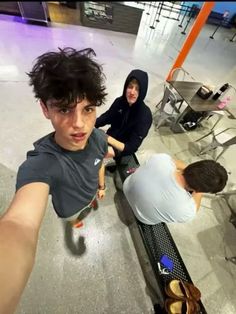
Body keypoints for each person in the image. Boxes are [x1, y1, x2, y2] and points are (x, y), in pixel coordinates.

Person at [0, 47, 108, 314]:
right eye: (64, 109)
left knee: (88, 206)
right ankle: (76, 220)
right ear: (45, 109)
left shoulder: (98, 137)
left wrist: (101, 185)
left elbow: (101, 158)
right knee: (73, 218)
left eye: (88, 109)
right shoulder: (42, 164)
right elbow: (20, 222)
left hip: (91, 194)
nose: (80, 124)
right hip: (68, 208)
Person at [123, 153, 228, 225]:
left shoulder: (161, 159)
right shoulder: (186, 210)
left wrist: (195, 172)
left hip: (127, 186)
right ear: (201, 190)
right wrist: (199, 190)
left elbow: (176, 163)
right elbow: (195, 207)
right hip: (142, 216)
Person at [95, 69, 152, 161]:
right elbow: (107, 117)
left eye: (137, 89)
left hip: (123, 148)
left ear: (143, 91)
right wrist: (91, 124)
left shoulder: (145, 116)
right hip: (110, 137)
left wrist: (107, 140)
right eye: (130, 86)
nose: (132, 92)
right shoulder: (120, 102)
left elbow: (132, 147)